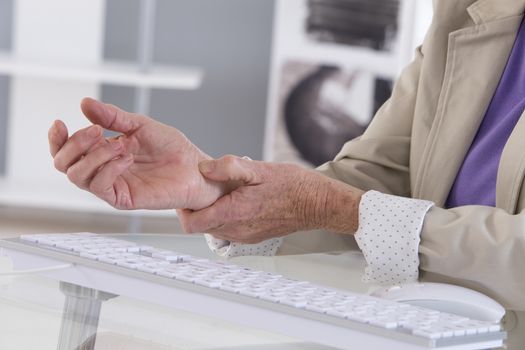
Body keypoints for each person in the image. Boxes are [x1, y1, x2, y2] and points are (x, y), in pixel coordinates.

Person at [48, 0, 525, 347]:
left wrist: (337, 207)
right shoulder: (466, 15)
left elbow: (352, 206)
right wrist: (217, 188)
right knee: (107, 341)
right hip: (412, 328)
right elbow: (375, 175)